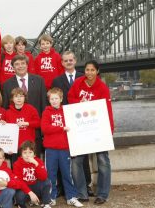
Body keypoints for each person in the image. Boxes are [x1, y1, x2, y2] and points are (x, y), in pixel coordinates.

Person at [68, 60, 114, 205]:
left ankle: (102, 194)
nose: (89, 73)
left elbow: (107, 109)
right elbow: (70, 98)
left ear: (97, 71)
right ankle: (82, 193)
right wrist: (78, 102)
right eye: (87, 70)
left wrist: (109, 130)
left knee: (102, 161)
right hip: (81, 128)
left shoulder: (102, 87)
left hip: (97, 129)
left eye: (92, 70)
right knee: (76, 161)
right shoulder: (78, 83)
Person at [52, 51, 94, 197]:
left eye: (71, 60)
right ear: (62, 63)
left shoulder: (84, 77)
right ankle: (64, 186)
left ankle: (86, 185)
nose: (68, 62)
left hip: (82, 120)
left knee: (83, 154)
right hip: (64, 121)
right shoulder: (57, 80)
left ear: (75, 61)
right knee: (63, 155)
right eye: (65, 60)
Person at [41, 88, 84, 207]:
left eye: (56, 98)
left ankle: (71, 197)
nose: (54, 101)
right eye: (52, 99)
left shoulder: (67, 111)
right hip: (50, 149)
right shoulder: (46, 112)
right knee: (51, 174)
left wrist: (73, 148)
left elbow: (74, 128)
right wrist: (61, 128)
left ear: (61, 99)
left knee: (67, 173)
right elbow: (45, 128)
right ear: (49, 100)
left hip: (65, 149)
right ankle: (51, 197)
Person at [2, 55, 47, 155]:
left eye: (23, 63)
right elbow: (5, 107)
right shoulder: (7, 84)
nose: (20, 66)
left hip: (35, 131)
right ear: (13, 67)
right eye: (17, 64)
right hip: (16, 134)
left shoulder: (39, 80)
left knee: (34, 160)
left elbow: (44, 105)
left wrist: (43, 130)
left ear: (27, 65)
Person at [5, 88, 40, 165]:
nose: (19, 98)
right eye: (16, 96)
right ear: (12, 99)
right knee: (16, 169)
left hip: (28, 147)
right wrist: (8, 147)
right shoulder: (7, 112)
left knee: (29, 169)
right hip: (15, 147)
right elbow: (7, 132)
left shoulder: (31, 109)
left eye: (21, 96)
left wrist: (27, 123)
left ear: (25, 98)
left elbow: (38, 123)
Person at [13, 141, 52, 208]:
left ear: (34, 154)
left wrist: (36, 164)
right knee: (19, 197)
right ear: (21, 155)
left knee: (47, 182)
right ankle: (24, 203)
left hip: (35, 185)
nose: (27, 155)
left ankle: (46, 203)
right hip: (24, 187)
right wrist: (30, 193)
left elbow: (44, 177)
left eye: (30, 152)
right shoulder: (17, 164)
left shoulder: (38, 161)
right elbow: (19, 182)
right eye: (25, 153)